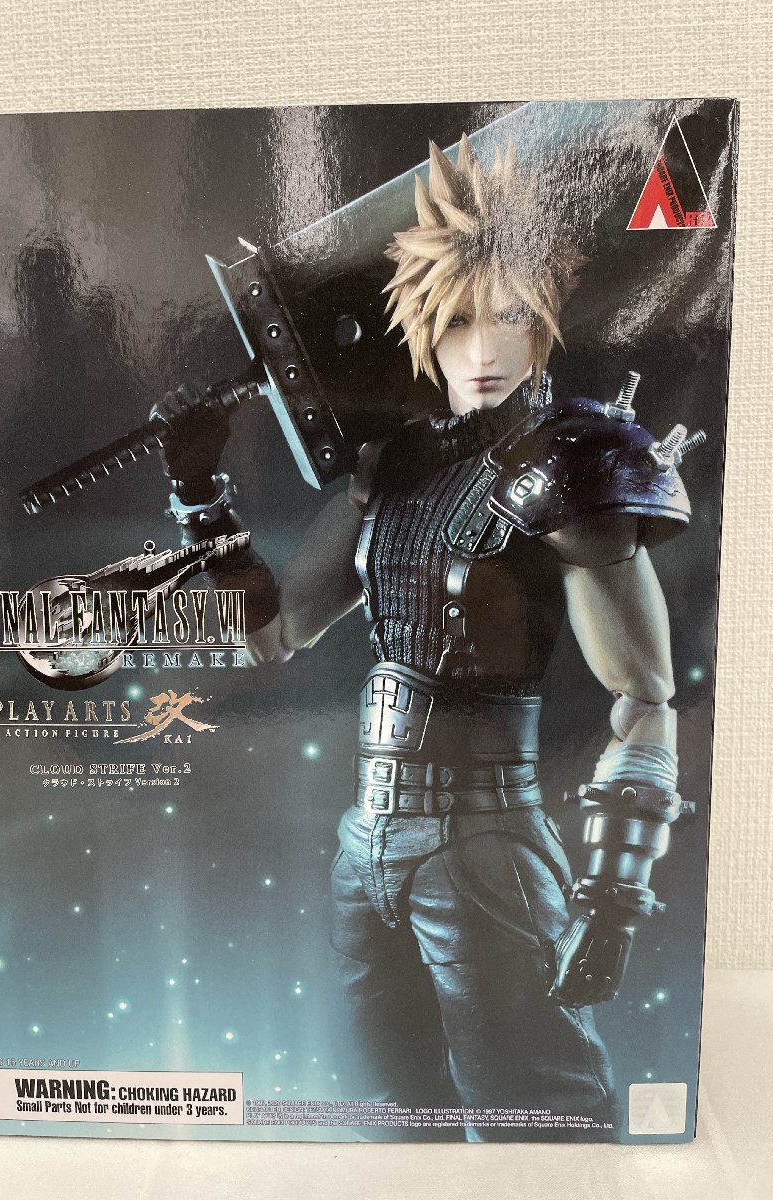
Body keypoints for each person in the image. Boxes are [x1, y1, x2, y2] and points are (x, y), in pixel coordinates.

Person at [154, 136, 689, 1141]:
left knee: (539, 1123)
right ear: (420, 328)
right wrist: (200, 497)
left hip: (484, 848)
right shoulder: (394, 466)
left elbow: (646, 696)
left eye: (510, 316)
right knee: (392, 1125)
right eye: (456, 321)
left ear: (545, 319)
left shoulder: (572, 461)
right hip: (365, 847)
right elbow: (273, 635)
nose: (483, 350)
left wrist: (616, 901)